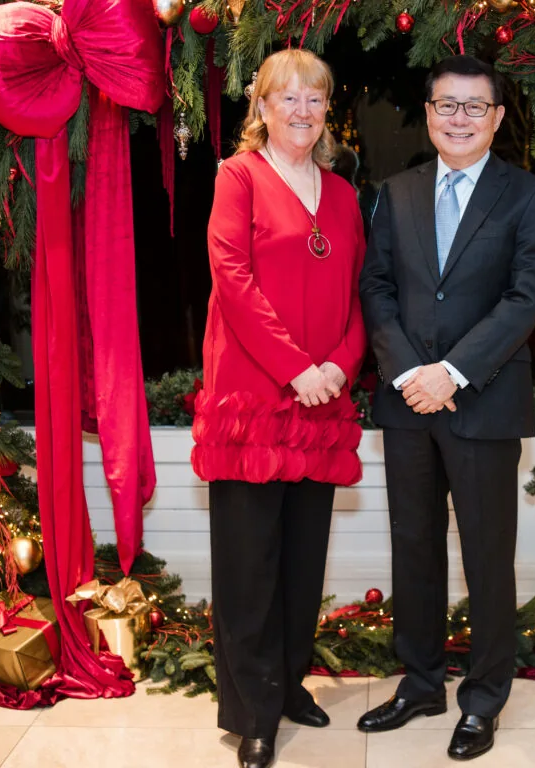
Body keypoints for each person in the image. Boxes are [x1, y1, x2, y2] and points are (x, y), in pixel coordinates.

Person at [357, 54, 535, 761]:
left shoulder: (528, 195)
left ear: (497, 118)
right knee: (413, 549)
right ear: (429, 112)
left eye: (476, 106)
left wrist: (452, 372)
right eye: (448, 105)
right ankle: (419, 684)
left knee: (486, 556)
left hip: (484, 402)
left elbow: (524, 298)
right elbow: (376, 286)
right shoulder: (396, 192)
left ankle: (483, 699)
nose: (460, 118)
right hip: (408, 401)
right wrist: (410, 370)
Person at [192, 48, 366, 768]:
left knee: (301, 561)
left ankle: (290, 685)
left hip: (321, 402)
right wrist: (297, 369)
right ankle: (253, 713)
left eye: (314, 98)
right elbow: (231, 279)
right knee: (249, 567)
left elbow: (360, 294)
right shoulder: (238, 177)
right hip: (254, 400)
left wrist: (340, 366)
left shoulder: (345, 194)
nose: (302, 110)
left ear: (327, 110)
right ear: (261, 107)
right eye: (286, 97)